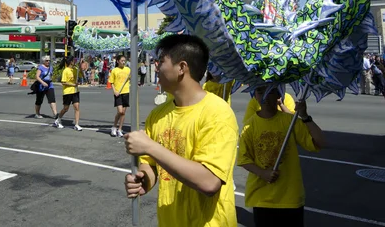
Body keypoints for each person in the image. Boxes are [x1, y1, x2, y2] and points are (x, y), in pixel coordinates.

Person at [124, 34, 239, 226]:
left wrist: (151, 147)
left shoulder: (218, 113)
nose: (156, 67)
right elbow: (151, 165)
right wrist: (143, 180)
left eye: (161, 62)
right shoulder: (158, 114)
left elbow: (209, 182)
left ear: (182, 68)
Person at [237, 86, 325, 227]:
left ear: (279, 95)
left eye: (270, 91)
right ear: (255, 96)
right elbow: (243, 159)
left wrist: (305, 116)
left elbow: (320, 142)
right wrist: (262, 173)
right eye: (260, 91)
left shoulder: (290, 121)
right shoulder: (249, 126)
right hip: (262, 198)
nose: (265, 95)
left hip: (290, 197)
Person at [55, 56, 82, 131]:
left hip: (75, 91)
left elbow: (81, 76)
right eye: (74, 60)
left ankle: (76, 124)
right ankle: (58, 119)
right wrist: (73, 84)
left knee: (77, 107)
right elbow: (63, 82)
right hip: (67, 92)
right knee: (66, 108)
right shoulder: (66, 70)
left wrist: (80, 69)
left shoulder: (75, 69)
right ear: (71, 62)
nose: (75, 62)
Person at [109, 55, 131, 138]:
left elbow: (131, 78)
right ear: (118, 61)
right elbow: (111, 82)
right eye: (122, 60)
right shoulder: (114, 70)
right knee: (120, 111)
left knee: (123, 113)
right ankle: (114, 127)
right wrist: (114, 91)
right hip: (118, 93)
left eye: (124, 60)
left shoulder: (128, 70)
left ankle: (120, 129)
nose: (123, 62)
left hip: (126, 92)